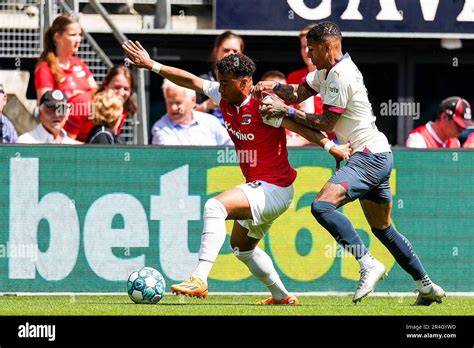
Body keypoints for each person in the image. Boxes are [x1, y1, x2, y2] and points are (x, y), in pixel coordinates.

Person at [123, 40, 351, 305]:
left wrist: (330, 146)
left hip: (274, 188)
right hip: (263, 187)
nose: (220, 88)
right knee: (242, 249)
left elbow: (299, 126)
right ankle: (281, 296)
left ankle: (199, 278)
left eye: (227, 83)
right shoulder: (224, 93)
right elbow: (191, 80)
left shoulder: (264, 104)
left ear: (245, 83)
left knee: (214, 207)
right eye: (219, 82)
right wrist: (152, 64)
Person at [254, 21, 445, 306]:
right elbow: (298, 93)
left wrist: (285, 111)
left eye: (312, 49)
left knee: (321, 206)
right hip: (376, 154)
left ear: (328, 47)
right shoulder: (326, 71)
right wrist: (276, 87)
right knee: (383, 228)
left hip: (368, 156)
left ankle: (368, 263)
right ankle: (426, 285)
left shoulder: (341, 75)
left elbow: (325, 122)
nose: (308, 54)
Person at [35, 15, 98, 142]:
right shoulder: (45, 69)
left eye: (79, 34)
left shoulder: (79, 63)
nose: (78, 39)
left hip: (90, 127)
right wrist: (74, 100)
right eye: (73, 35)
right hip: (65, 132)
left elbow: (96, 93)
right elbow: (45, 104)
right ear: (57, 37)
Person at [151, 79, 232, 146]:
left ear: (193, 101)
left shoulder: (211, 122)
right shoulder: (160, 128)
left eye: (178, 103)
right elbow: (172, 158)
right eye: (169, 103)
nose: (173, 108)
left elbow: (231, 148)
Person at [194, 31, 245, 123]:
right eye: (226, 50)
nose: (231, 54)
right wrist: (207, 105)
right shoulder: (203, 80)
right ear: (216, 51)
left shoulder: (246, 83)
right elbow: (188, 116)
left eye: (235, 51)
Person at [261, 70, 311, 147]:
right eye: (271, 92)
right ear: (261, 91)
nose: (276, 96)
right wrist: (303, 140)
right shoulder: (257, 113)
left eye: (281, 91)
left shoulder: (296, 112)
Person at [406, 97, 471, 148]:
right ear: (444, 117)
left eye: (464, 126)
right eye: (458, 125)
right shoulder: (418, 139)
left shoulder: (455, 142)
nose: (462, 130)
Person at [287, 24, 323, 116]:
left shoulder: (335, 75)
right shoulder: (293, 77)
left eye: (311, 47)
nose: (307, 51)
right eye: (303, 47)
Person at [96, 65, 137, 135]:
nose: (121, 93)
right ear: (106, 85)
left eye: (126, 89)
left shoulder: (124, 108)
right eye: (117, 87)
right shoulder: (90, 106)